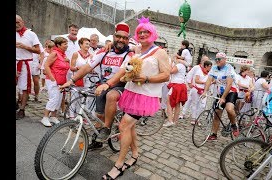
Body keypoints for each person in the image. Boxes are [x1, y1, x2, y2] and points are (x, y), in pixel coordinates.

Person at [98, 16, 170, 180]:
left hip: (145, 96)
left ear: (152, 34)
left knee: (124, 125)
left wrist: (146, 79)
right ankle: (135, 154)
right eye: (140, 32)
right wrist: (108, 84)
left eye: (146, 31)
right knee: (129, 127)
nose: (143, 34)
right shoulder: (136, 50)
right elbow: (123, 70)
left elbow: (166, 75)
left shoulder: (160, 52)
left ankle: (119, 165)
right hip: (131, 93)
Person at [60, 22, 134, 150]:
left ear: (128, 40)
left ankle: (107, 128)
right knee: (99, 115)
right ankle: (97, 140)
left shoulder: (130, 55)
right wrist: (71, 80)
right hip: (102, 86)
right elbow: (87, 67)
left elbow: (123, 72)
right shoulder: (104, 51)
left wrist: (107, 84)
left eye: (125, 38)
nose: (121, 40)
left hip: (120, 87)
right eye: (118, 36)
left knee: (111, 95)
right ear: (113, 37)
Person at [200, 52, 240, 141]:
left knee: (229, 109)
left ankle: (234, 124)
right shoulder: (214, 68)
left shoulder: (229, 68)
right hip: (220, 92)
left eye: (219, 59)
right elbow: (209, 80)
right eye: (216, 59)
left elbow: (229, 84)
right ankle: (214, 134)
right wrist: (205, 91)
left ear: (225, 60)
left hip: (231, 91)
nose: (217, 61)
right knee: (217, 113)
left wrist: (223, 98)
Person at [40, 37, 70, 127]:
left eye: (67, 44)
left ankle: (53, 116)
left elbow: (61, 65)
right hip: (53, 80)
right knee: (54, 98)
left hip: (61, 80)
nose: (66, 46)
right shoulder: (54, 53)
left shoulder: (63, 54)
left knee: (59, 99)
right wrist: (52, 78)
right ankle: (45, 117)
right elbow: (46, 65)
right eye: (64, 44)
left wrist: (67, 61)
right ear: (58, 45)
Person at [16, 14, 41, 119]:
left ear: (22, 22)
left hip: (26, 63)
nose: (16, 24)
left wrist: (25, 47)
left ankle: (22, 109)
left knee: (25, 87)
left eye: (18, 22)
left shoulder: (31, 34)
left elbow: (38, 50)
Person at [68, 37, 93, 119]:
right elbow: (71, 67)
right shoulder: (76, 54)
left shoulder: (91, 55)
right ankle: (71, 115)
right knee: (74, 97)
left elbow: (92, 68)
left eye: (89, 44)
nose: (88, 46)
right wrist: (78, 68)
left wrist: (90, 70)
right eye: (86, 44)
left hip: (87, 79)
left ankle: (80, 115)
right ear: (80, 45)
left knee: (83, 98)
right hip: (77, 78)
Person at [163, 50, 188, 127]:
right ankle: (175, 121)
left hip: (176, 85)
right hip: (180, 85)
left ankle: (170, 120)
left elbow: (170, 71)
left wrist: (171, 63)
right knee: (177, 104)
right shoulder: (182, 65)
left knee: (169, 102)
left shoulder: (179, 65)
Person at [179, 55, 209, 119]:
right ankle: (183, 113)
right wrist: (189, 83)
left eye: (207, 61)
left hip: (202, 89)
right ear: (201, 61)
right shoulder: (196, 67)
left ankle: (196, 117)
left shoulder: (207, 69)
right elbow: (190, 74)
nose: (205, 62)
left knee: (201, 104)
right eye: (204, 60)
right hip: (194, 87)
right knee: (189, 100)